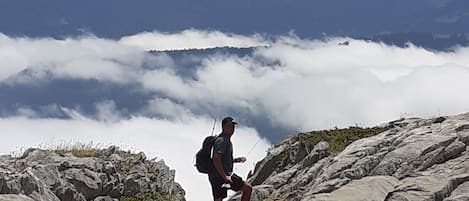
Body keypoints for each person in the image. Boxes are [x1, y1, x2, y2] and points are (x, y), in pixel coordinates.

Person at [209, 117, 252, 201]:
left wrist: (237, 160)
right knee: (247, 188)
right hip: (221, 176)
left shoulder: (224, 140)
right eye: (229, 126)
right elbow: (216, 158)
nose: (232, 129)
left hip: (216, 176)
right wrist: (225, 177)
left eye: (233, 127)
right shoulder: (222, 140)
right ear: (224, 127)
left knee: (218, 199)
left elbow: (222, 159)